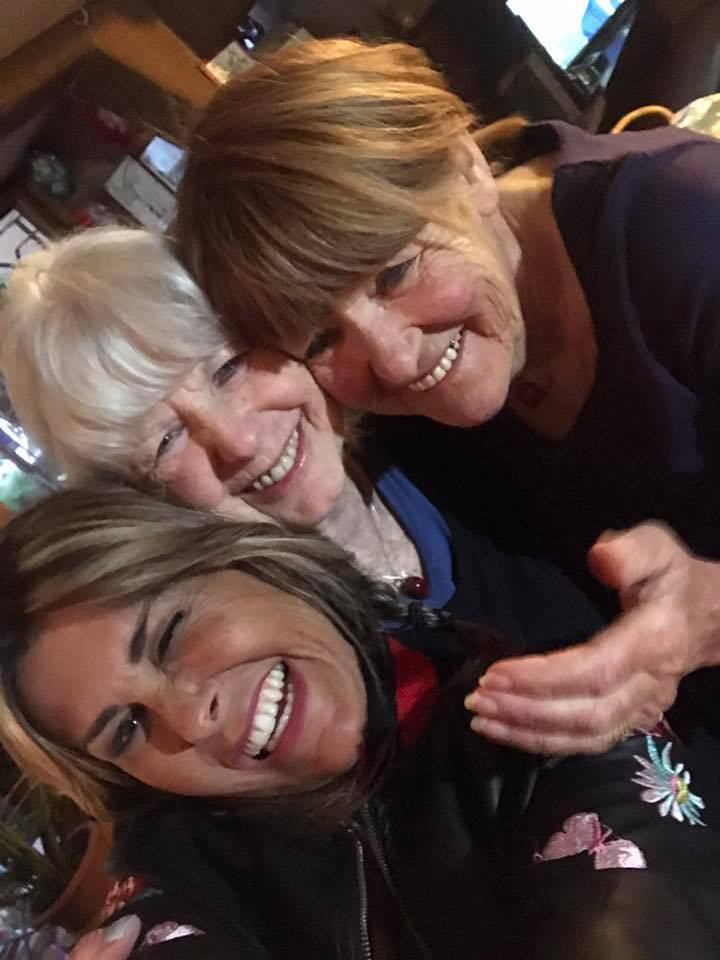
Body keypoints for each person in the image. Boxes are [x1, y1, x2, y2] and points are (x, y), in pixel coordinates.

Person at [172, 36, 720, 754]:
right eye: (320, 339)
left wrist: (704, 611)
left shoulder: (685, 224)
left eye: (396, 273)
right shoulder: (404, 429)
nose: (396, 360)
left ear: (466, 167)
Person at [3, 487, 720, 960]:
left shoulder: (545, 718)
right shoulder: (181, 873)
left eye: (169, 634)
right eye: (127, 729)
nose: (189, 717)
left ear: (241, 557)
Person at [0, 226, 616, 757]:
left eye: (229, 368)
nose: (237, 440)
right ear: (144, 505)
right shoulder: (281, 683)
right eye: (165, 442)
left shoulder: (447, 421)